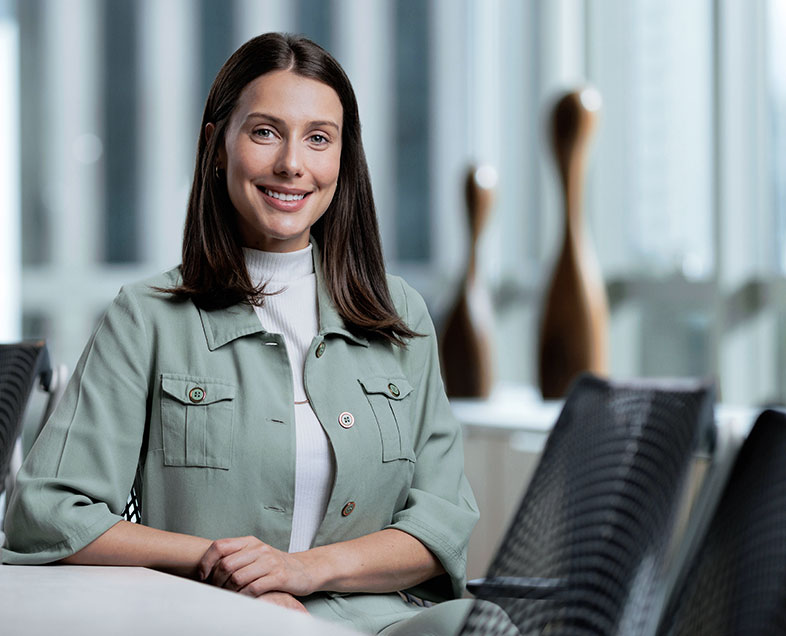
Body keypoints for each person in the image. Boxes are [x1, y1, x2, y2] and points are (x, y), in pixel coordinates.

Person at [2, 33, 486, 635]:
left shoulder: (399, 313)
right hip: (212, 620)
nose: (292, 163)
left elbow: (439, 526)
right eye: (264, 132)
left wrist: (302, 571)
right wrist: (227, 570)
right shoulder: (145, 317)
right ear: (217, 146)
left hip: (386, 624)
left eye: (318, 138)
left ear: (342, 158)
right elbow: (47, 514)